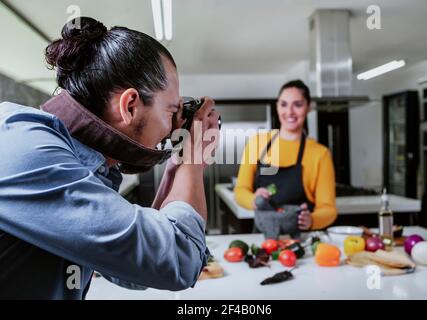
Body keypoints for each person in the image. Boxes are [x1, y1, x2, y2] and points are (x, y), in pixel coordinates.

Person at [0, 17, 220, 299]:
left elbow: (133, 269)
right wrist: (193, 155)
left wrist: (180, 163)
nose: (173, 126)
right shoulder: (25, 147)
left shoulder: (83, 163)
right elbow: (178, 261)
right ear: (129, 105)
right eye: (170, 111)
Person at [234, 80, 337, 232]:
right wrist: (253, 200)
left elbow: (329, 208)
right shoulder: (257, 143)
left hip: (301, 239)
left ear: (308, 108)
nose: (289, 111)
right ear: (277, 106)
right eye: (283, 104)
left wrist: (312, 220)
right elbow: (241, 190)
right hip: (265, 237)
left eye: (298, 104)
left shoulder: (320, 154)